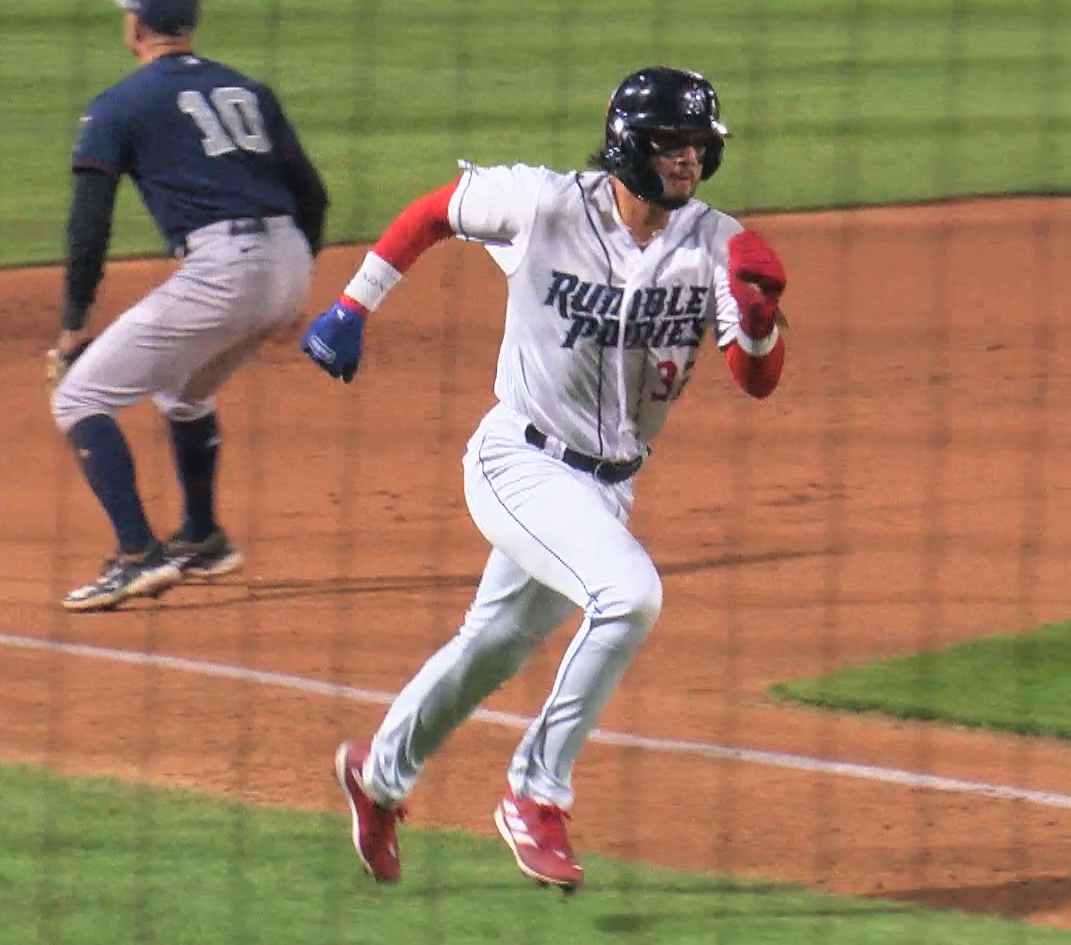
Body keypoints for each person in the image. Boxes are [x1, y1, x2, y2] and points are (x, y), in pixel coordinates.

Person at [302, 66, 790, 891]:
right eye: (672, 146)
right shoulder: (541, 204)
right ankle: (536, 792)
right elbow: (432, 214)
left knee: (491, 647)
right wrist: (353, 307)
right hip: (516, 459)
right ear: (629, 146)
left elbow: (755, 378)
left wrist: (759, 319)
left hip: (606, 486)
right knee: (629, 594)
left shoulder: (715, 242)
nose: (688, 163)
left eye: (699, 148)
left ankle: (377, 774)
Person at [47, 0, 328, 612]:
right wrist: (292, 289)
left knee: (79, 397)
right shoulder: (248, 90)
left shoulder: (118, 104)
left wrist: (74, 326)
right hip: (286, 261)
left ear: (137, 26)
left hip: (222, 269)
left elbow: (88, 223)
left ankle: (136, 556)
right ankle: (202, 537)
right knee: (184, 391)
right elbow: (313, 195)